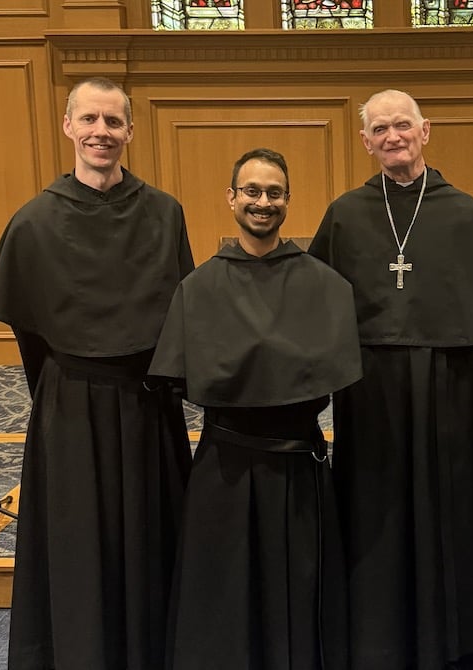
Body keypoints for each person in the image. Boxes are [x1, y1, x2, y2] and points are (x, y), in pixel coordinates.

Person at [0, 77, 195, 670]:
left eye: (113, 121)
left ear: (130, 131)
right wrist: (62, 391)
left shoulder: (164, 213)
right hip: (71, 404)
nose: (102, 132)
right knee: (78, 542)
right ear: (68, 126)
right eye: (90, 120)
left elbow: (181, 315)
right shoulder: (34, 221)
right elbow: (29, 333)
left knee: (151, 535)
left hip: (147, 402)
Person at [308, 89, 473, 670]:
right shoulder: (346, 213)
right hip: (371, 387)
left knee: (451, 503)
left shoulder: (464, 211)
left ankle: (454, 631)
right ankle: (377, 630)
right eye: (380, 129)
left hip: (451, 384)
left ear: (425, 131)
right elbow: (315, 300)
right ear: (365, 141)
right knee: (376, 507)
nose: (393, 136)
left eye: (403, 125)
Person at [149, 148, 362, 670]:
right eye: (251, 191)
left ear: (288, 200)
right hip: (224, 465)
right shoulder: (198, 288)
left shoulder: (325, 285)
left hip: (299, 465)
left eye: (274, 193)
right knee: (224, 590)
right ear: (231, 198)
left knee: (299, 585)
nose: (262, 202)